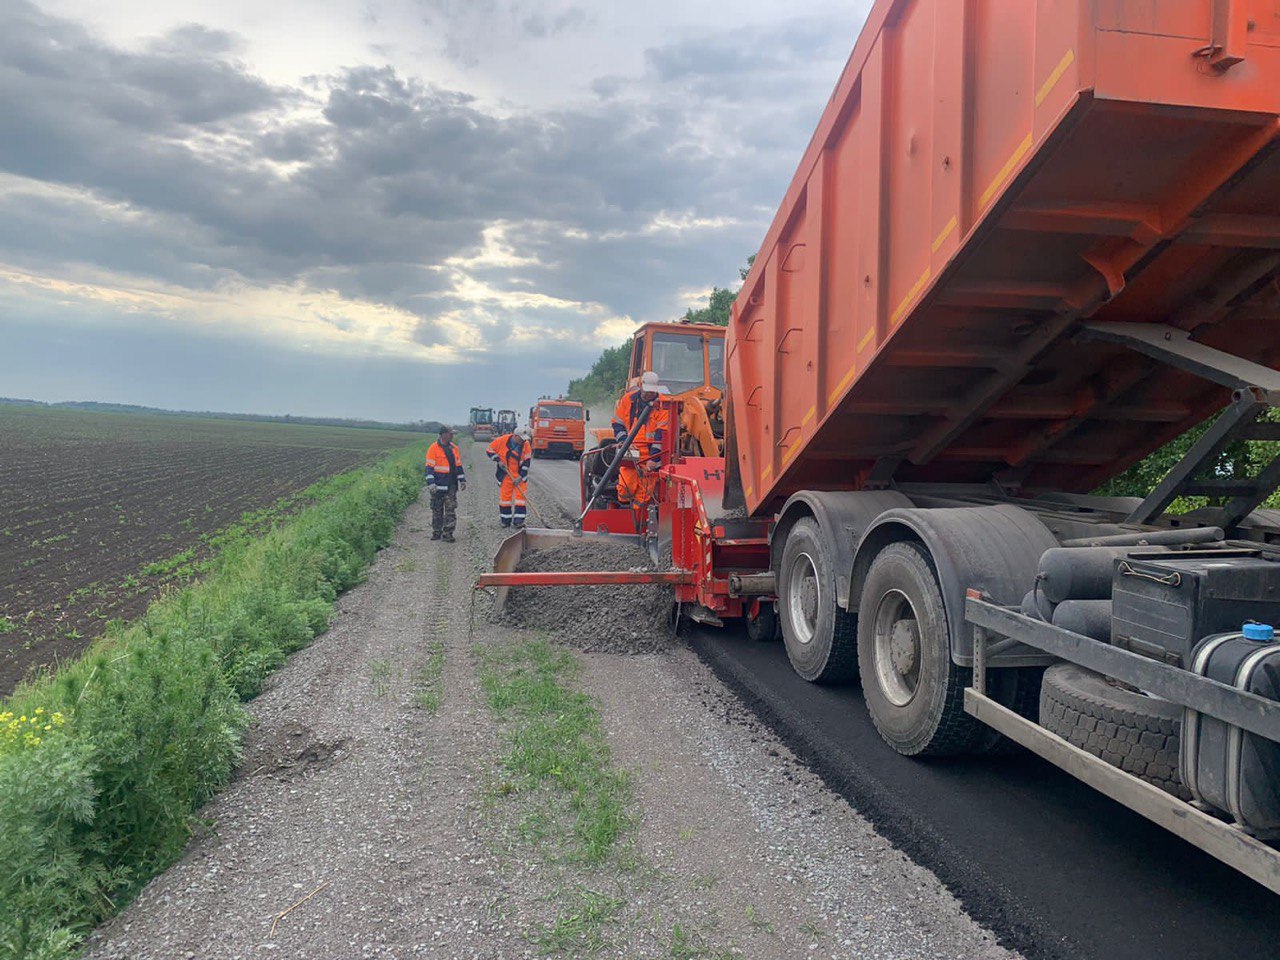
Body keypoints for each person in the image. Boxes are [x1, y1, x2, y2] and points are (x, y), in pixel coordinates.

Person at [610, 370, 669, 517]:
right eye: (647, 391)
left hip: (650, 454)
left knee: (644, 494)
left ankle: (637, 518)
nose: (649, 394)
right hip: (630, 450)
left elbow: (661, 436)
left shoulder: (664, 405)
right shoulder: (628, 400)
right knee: (625, 488)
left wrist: (654, 460)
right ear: (641, 385)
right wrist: (624, 442)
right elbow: (617, 424)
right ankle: (626, 510)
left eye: (652, 392)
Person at [424, 427, 466, 542]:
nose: (452, 436)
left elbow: (458, 466)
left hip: (451, 485)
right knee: (437, 510)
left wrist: (462, 480)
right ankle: (437, 531)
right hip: (437, 486)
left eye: (452, 434)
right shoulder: (433, 448)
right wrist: (431, 483)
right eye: (450, 434)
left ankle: (448, 533)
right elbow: (429, 468)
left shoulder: (454, 448)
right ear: (443, 435)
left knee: (450, 509)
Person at [486, 427, 531, 528]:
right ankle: (505, 521)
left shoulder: (526, 444)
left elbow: (527, 462)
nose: (523, 440)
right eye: (521, 438)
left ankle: (518, 521)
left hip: (520, 475)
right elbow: (489, 450)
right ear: (515, 436)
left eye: (525, 439)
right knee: (505, 499)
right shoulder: (502, 440)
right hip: (506, 474)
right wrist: (498, 460)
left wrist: (520, 476)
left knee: (521, 498)